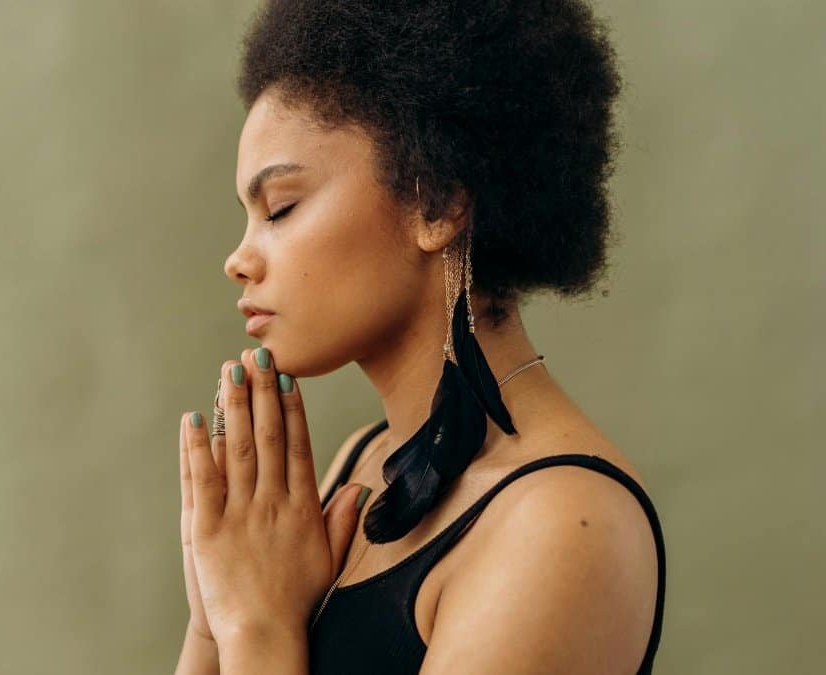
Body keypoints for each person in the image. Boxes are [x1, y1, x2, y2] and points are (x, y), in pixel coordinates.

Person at [176, 1, 664, 673]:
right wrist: (214, 616)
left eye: (280, 209)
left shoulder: (561, 524)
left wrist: (255, 628)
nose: (239, 259)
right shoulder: (361, 465)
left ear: (436, 203)